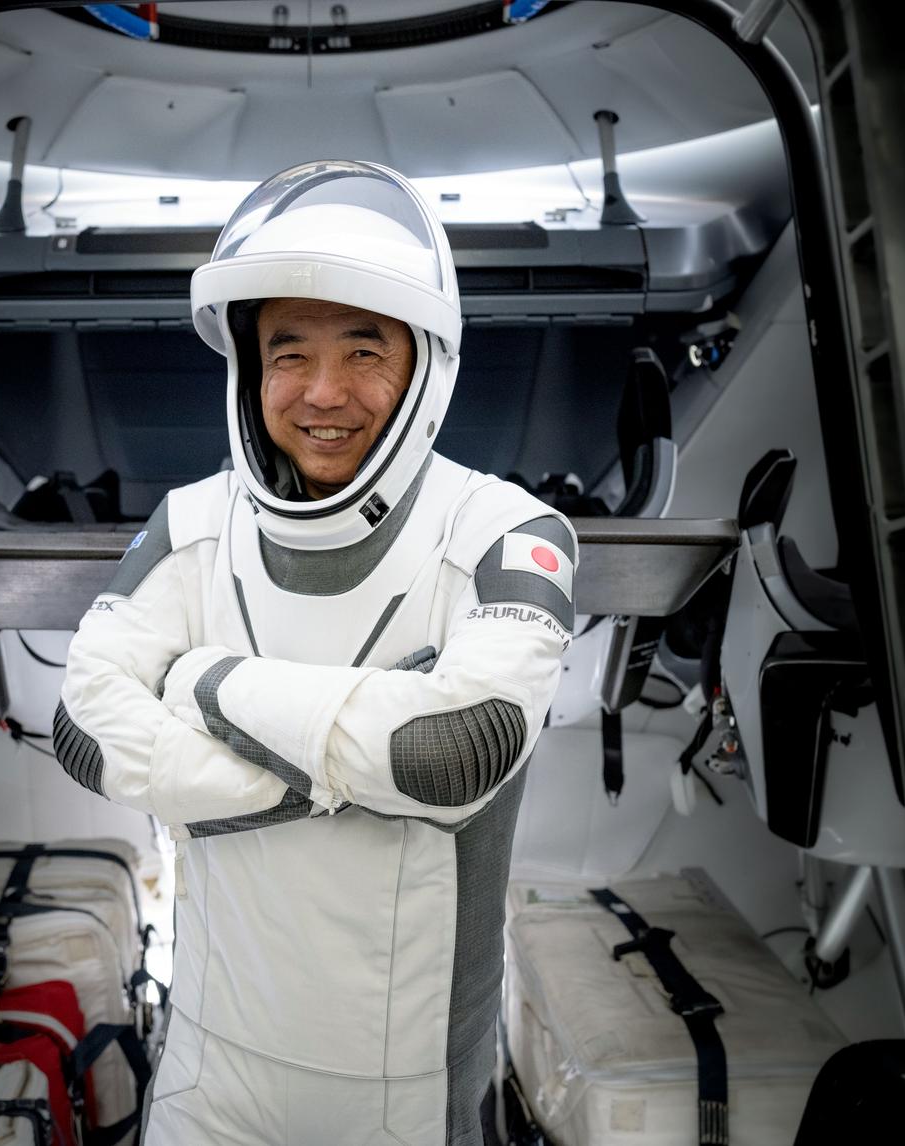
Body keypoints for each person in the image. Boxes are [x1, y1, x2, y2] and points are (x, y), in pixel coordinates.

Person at [55, 160, 577, 1145]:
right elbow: (83, 726)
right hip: (206, 1072)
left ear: (424, 363)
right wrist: (329, 772)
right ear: (248, 370)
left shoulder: (503, 531)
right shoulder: (193, 523)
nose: (321, 393)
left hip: (408, 1093)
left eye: (363, 351)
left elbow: (453, 749)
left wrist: (198, 684)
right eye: (286, 353)